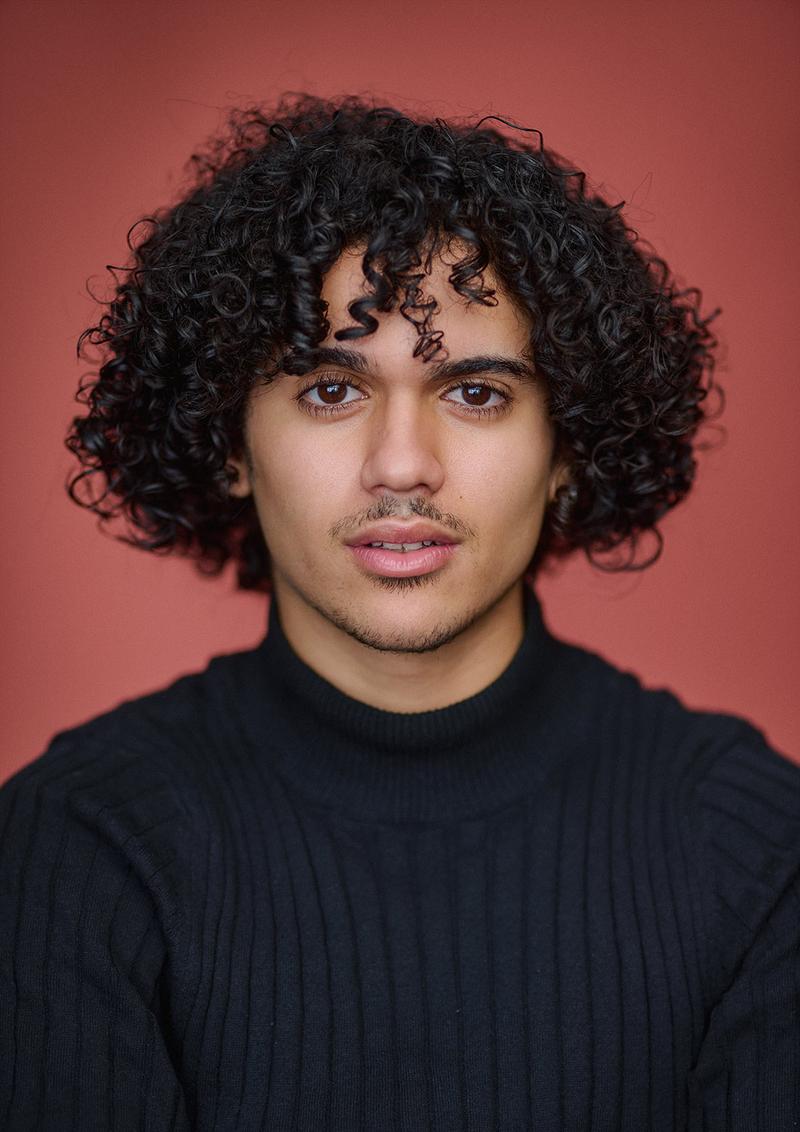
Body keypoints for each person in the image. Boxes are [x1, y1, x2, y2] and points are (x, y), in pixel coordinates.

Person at [1, 93, 798, 1131]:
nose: (402, 466)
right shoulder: (79, 846)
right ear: (227, 442)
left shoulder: (757, 847)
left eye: (475, 392)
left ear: (565, 448)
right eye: (331, 389)